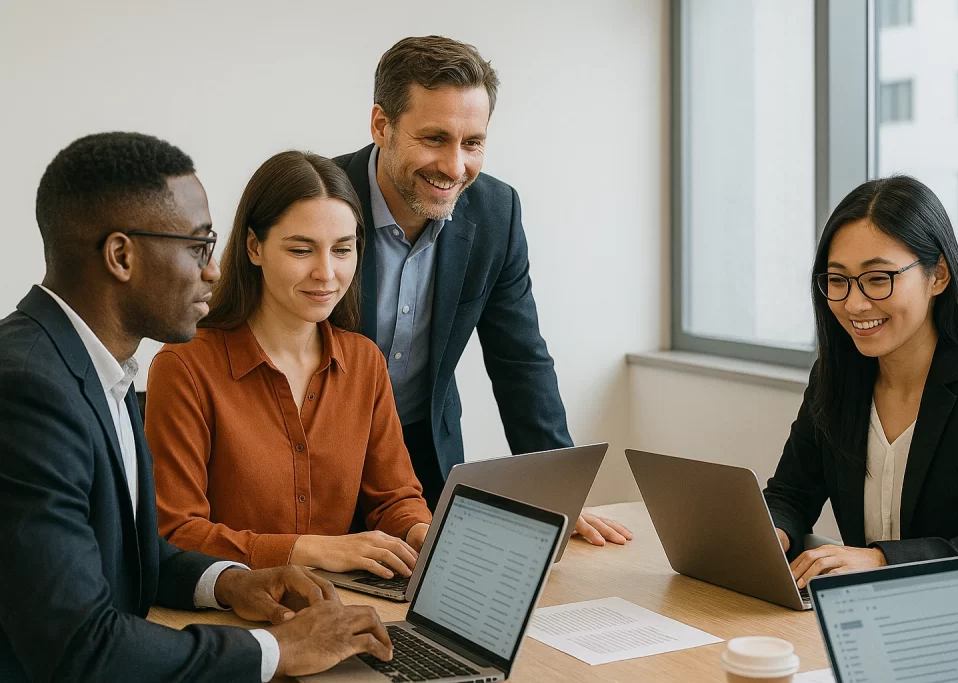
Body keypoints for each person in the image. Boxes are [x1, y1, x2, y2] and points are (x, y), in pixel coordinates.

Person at [0, 132, 394, 683]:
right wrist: (275, 651)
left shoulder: (94, 371)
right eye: (197, 247)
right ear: (121, 256)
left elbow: (125, 562)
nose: (213, 270)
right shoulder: (27, 388)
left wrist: (232, 581)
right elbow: (78, 644)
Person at [333, 35, 631, 545]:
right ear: (381, 125)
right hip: (317, 460)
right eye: (434, 138)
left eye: (472, 143)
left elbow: (521, 360)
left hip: (424, 457)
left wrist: (558, 488)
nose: (454, 167)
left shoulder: (496, 213)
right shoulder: (319, 198)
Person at [145, 151, 432, 580]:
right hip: (225, 621)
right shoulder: (185, 367)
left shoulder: (364, 362)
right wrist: (306, 550)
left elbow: (394, 498)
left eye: (342, 250)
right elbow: (176, 532)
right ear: (254, 247)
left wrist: (421, 532)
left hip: (340, 608)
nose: (326, 273)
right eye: (301, 250)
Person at [763, 175, 958, 592]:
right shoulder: (836, 379)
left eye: (878, 278)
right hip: (867, 618)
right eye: (837, 280)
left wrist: (882, 560)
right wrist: (768, 538)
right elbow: (791, 494)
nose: (854, 303)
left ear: (938, 275)